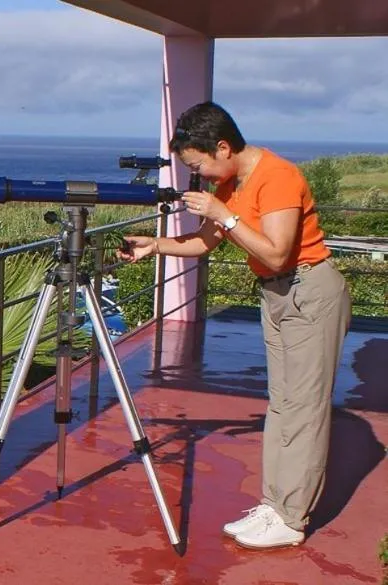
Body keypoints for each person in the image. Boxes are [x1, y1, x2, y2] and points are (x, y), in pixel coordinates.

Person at [118, 101, 352, 549]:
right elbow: (205, 242)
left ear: (222, 147)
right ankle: (274, 505)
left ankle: (291, 517)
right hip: (279, 293)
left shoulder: (277, 176)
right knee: (283, 404)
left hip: (308, 290)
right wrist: (156, 245)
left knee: (304, 410)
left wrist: (224, 214)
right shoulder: (231, 183)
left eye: (198, 165)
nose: (198, 176)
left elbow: (278, 252)